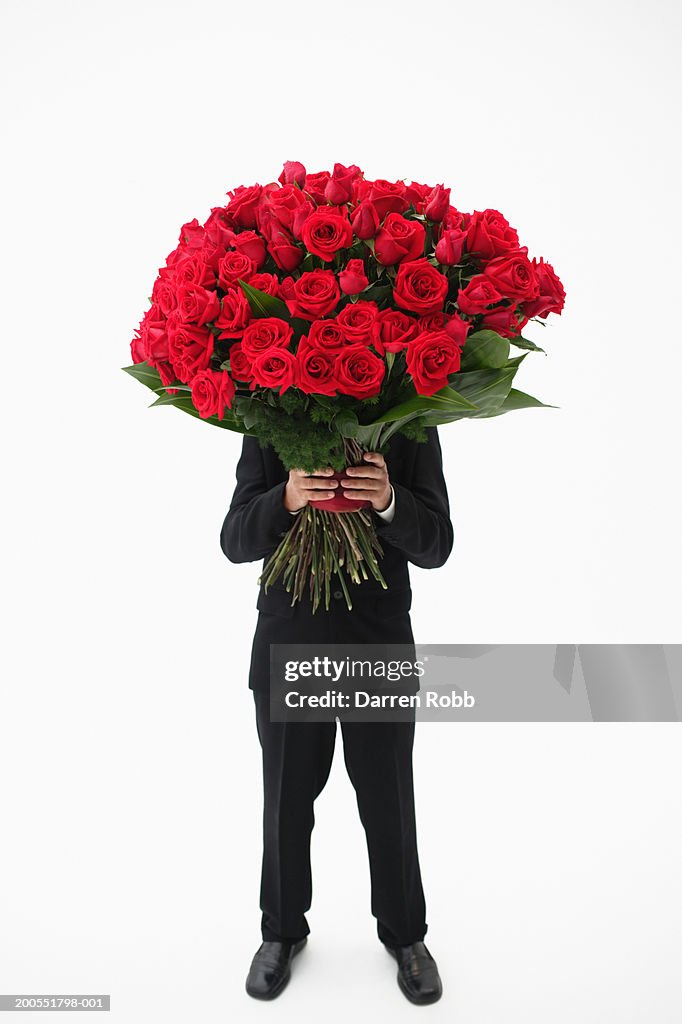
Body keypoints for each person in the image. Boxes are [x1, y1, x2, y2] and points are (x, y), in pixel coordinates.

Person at [220, 426, 453, 1005]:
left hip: (375, 638)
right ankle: (280, 933)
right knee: (286, 797)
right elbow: (234, 539)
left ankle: (406, 937)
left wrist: (387, 500)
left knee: (388, 796)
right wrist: (288, 497)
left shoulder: (412, 421)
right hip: (291, 635)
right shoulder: (270, 419)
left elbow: (438, 546)